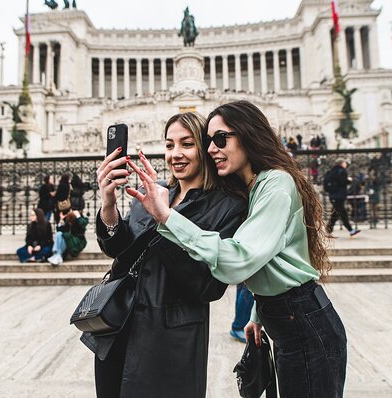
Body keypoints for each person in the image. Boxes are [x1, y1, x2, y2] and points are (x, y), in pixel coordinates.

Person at [128, 100, 347, 398]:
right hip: (287, 321)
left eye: (221, 139)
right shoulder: (255, 186)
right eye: (208, 142)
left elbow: (240, 260)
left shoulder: (277, 184)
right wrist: (258, 314)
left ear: (248, 135)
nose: (211, 150)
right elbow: (274, 260)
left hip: (306, 324)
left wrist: (168, 217)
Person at [82, 112, 248, 398]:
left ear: (205, 149)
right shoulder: (157, 191)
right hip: (118, 330)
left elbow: (208, 287)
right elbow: (120, 251)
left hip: (170, 343)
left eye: (187, 144)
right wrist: (108, 204)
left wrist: (165, 219)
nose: (176, 154)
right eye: (170, 145)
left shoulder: (227, 207)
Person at [324, 158, 361, 237]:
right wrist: (349, 180)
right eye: (345, 163)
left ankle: (349, 230)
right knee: (339, 214)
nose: (346, 164)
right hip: (339, 195)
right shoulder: (342, 171)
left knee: (337, 213)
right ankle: (350, 230)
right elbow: (342, 182)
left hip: (333, 195)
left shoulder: (331, 171)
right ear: (341, 163)